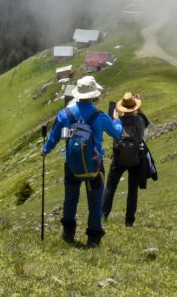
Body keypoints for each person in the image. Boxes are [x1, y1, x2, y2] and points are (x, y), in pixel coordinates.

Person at [41, 75, 122, 248]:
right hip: (94, 165)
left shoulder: (65, 114)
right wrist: (117, 120)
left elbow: (55, 136)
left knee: (70, 198)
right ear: (93, 95)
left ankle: (68, 233)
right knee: (95, 201)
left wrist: (45, 150)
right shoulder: (100, 116)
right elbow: (117, 134)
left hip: (71, 164)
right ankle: (93, 238)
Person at [102, 92, 151, 228]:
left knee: (110, 187)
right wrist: (140, 110)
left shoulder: (118, 121)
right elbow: (146, 124)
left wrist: (114, 117)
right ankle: (129, 221)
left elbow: (112, 131)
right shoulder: (139, 121)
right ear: (134, 107)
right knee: (132, 190)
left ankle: (103, 216)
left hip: (118, 159)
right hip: (136, 159)